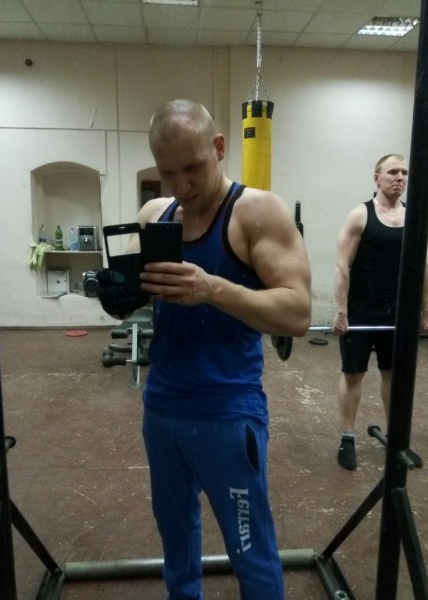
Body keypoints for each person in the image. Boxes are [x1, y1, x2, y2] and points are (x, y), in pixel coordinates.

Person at [128, 99, 311, 600]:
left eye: (193, 167)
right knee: (175, 540)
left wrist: (213, 290)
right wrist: (116, 291)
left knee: (250, 551)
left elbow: (297, 313)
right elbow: (131, 295)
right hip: (162, 409)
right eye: (168, 173)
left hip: (227, 414)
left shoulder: (256, 212)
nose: (182, 185)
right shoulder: (155, 215)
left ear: (221, 147)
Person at [333, 154, 428, 471]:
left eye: (404, 172)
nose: (400, 177)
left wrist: (427, 309)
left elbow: (423, 267)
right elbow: (342, 267)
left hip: (397, 310)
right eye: (392, 172)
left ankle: (396, 439)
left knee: (393, 375)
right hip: (361, 307)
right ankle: (347, 438)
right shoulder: (360, 215)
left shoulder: (413, 217)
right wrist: (341, 310)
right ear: (377, 178)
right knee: (353, 374)